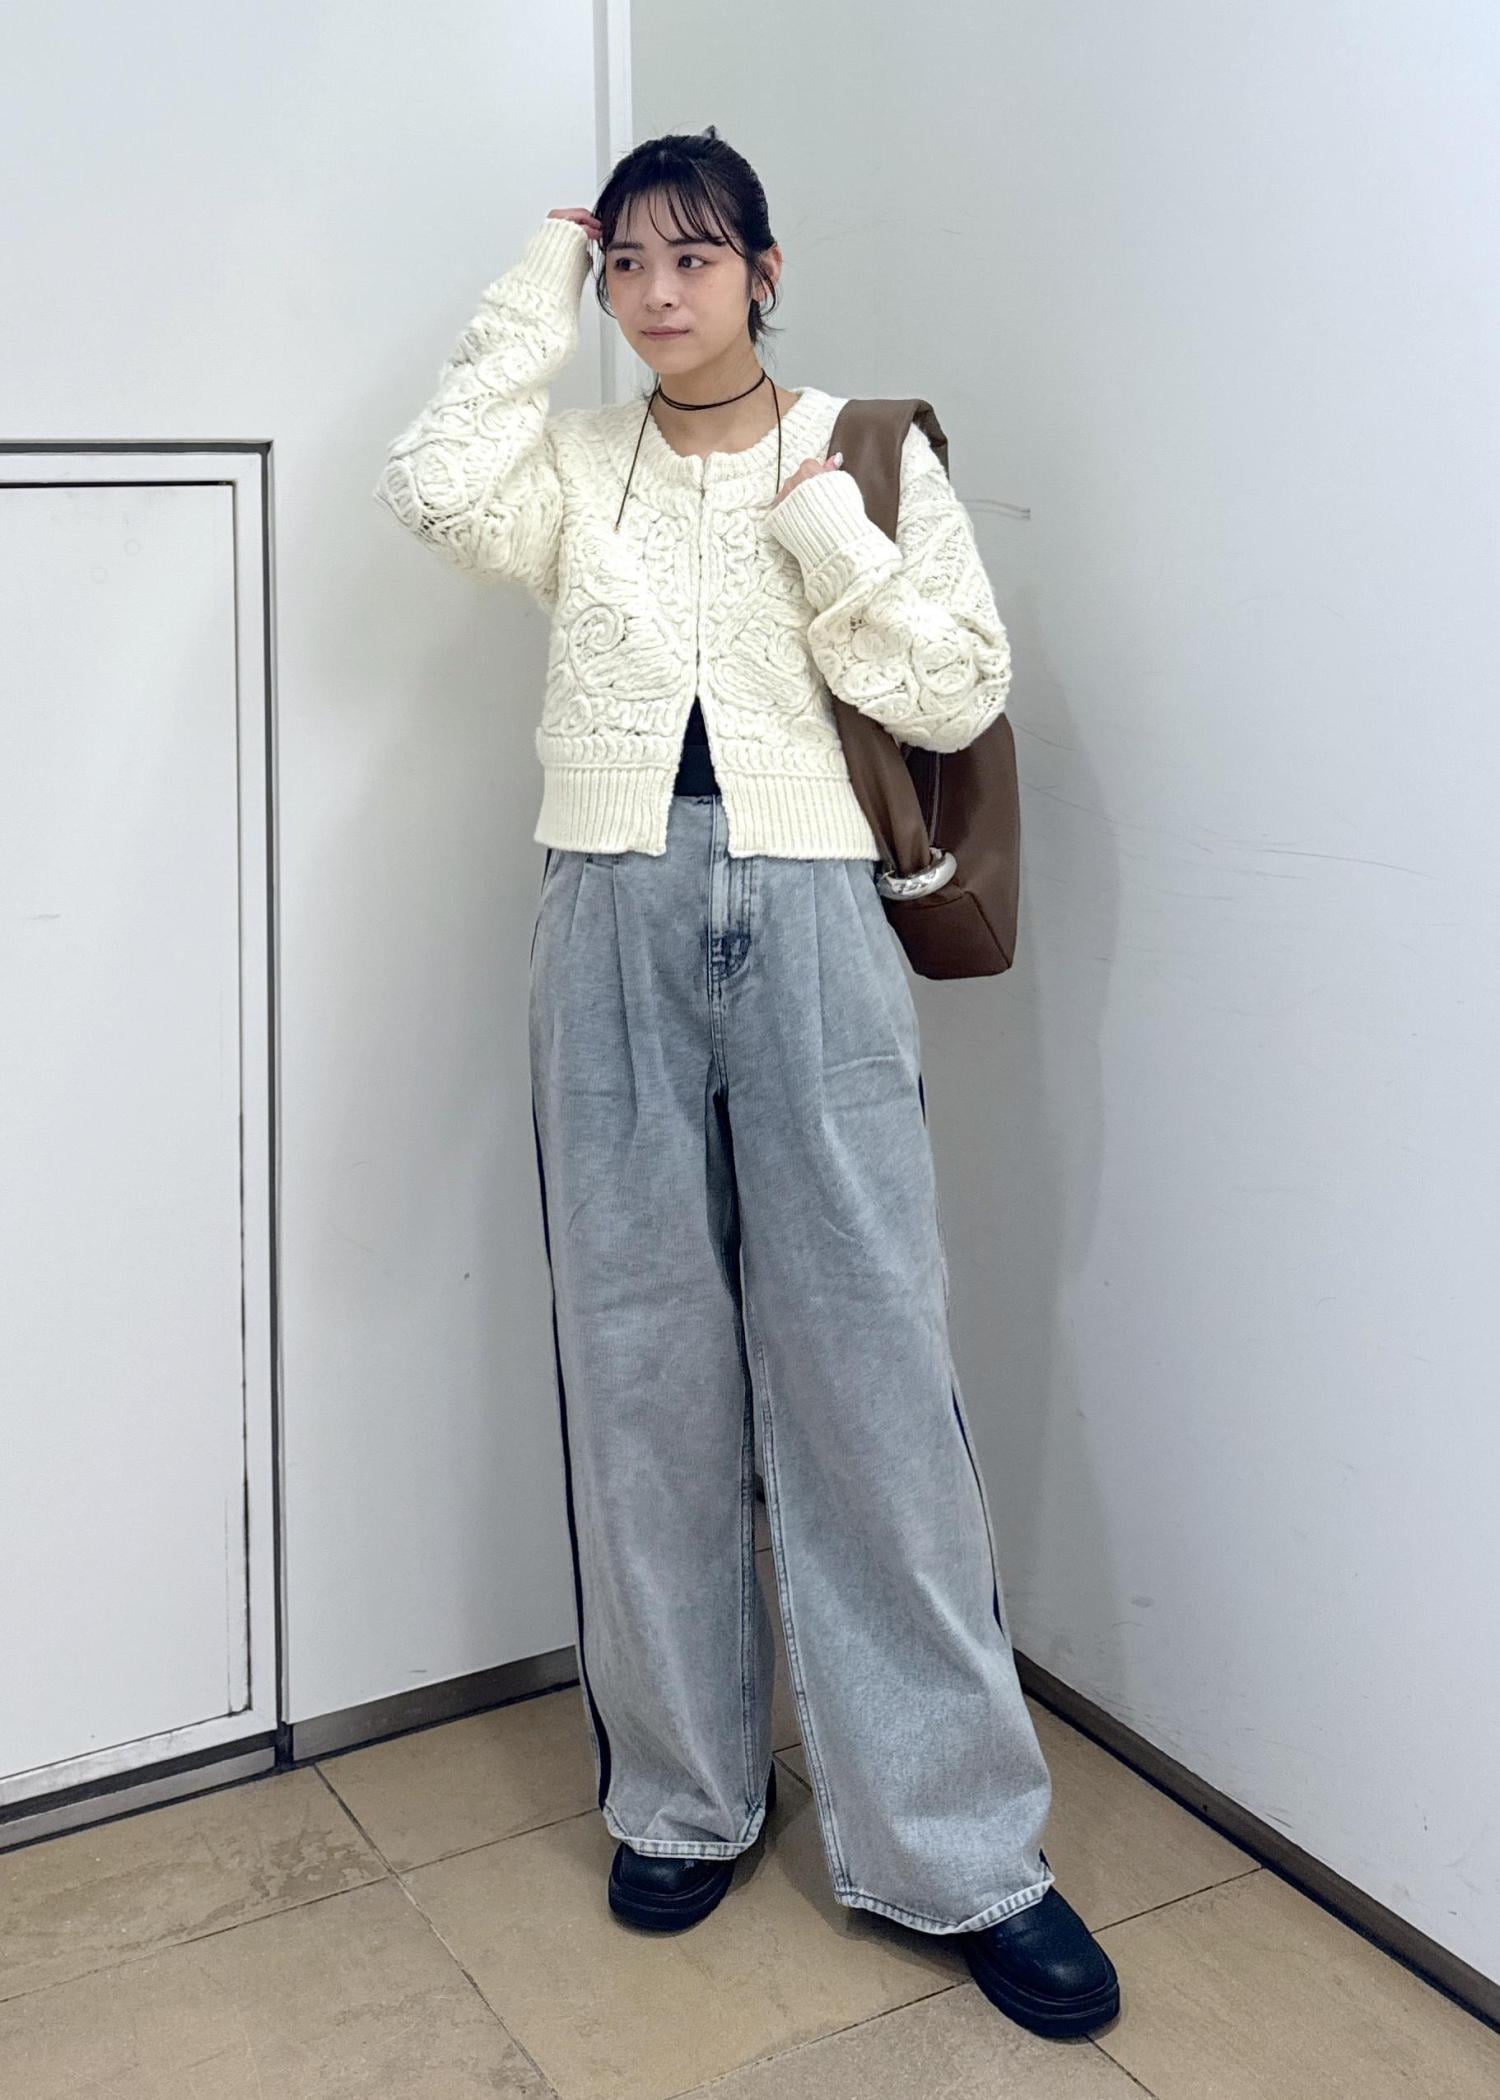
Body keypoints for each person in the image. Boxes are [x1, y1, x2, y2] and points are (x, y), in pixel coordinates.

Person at [372, 124, 1118, 2041]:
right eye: (629, 263)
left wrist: (825, 530)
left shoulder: (868, 448)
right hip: (607, 907)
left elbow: (954, 689)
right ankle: (686, 1796)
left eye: (694, 258)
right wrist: (532, 284)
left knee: (870, 1367)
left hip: (812, 915)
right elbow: (430, 481)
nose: (659, 293)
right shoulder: (574, 462)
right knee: (641, 1366)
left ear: (765, 273)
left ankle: (962, 1849)